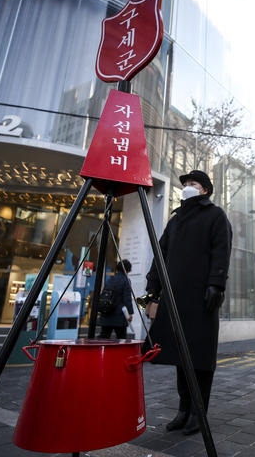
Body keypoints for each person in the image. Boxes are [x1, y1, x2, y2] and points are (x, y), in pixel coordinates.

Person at [143, 169, 233, 436]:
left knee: (199, 359)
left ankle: (198, 413)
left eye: (192, 184)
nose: (187, 187)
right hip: (174, 298)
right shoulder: (176, 219)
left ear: (204, 189)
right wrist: (152, 285)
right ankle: (183, 410)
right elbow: (162, 253)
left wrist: (216, 284)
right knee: (180, 357)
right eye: (185, 184)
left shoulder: (215, 215)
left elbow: (222, 250)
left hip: (201, 298)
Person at [98, 259, 134, 339]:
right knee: (121, 338)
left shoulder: (110, 279)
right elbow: (127, 298)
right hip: (119, 315)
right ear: (128, 270)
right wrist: (130, 313)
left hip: (107, 312)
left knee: (104, 337)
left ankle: (99, 351)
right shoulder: (126, 281)